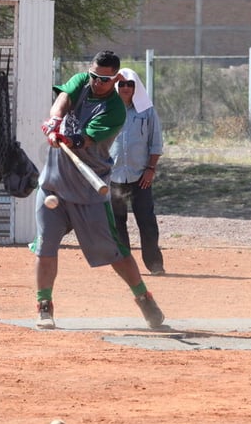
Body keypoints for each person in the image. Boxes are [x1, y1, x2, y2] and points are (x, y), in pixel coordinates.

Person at [31, 50, 165, 329]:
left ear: (115, 79)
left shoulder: (115, 110)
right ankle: (44, 305)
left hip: (89, 191)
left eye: (104, 80)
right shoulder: (81, 82)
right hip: (53, 184)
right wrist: (55, 121)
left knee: (113, 252)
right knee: (45, 246)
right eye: (94, 76)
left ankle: (143, 297)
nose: (97, 83)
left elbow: (85, 140)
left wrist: (63, 138)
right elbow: (63, 99)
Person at [109, 68, 166, 275]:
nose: (125, 88)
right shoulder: (108, 110)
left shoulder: (147, 111)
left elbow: (156, 143)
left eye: (129, 85)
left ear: (136, 87)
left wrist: (151, 168)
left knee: (147, 221)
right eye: (122, 84)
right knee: (117, 222)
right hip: (113, 176)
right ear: (116, 86)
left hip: (140, 176)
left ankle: (155, 264)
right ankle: (124, 265)